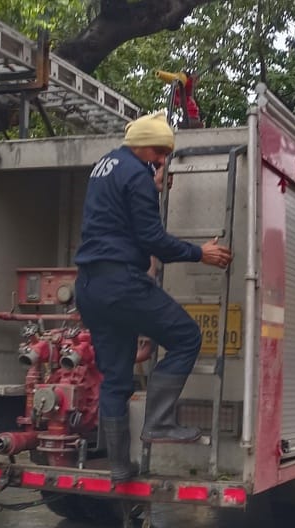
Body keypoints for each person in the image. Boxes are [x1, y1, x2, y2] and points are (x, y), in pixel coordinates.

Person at [73, 110, 233, 483]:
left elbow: (122, 208)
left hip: (90, 288)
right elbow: (152, 240)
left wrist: (152, 181)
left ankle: (118, 466)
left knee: (116, 378)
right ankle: (159, 422)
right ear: (144, 146)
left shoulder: (107, 164)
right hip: (122, 285)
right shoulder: (137, 174)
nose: (162, 161)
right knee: (187, 337)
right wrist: (200, 253)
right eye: (160, 154)